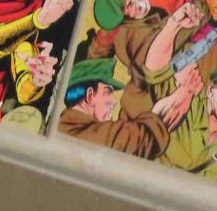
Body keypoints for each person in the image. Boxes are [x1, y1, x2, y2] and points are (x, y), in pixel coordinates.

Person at [57, 57, 201, 157]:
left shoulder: (71, 125)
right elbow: (139, 139)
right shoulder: (81, 133)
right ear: (90, 95)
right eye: (108, 92)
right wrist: (186, 90)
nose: (113, 101)